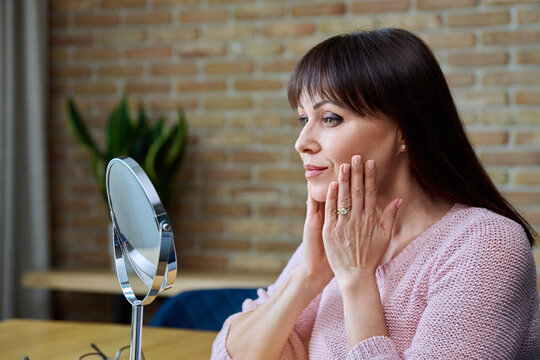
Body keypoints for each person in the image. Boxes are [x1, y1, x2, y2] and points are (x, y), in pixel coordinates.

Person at [211, 28, 540, 359]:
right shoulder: (341, 235)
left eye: (330, 118)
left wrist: (357, 282)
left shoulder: (487, 246)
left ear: (404, 131)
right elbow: (228, 355)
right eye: (302, 119)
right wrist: (309, 276)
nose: (302, 142)